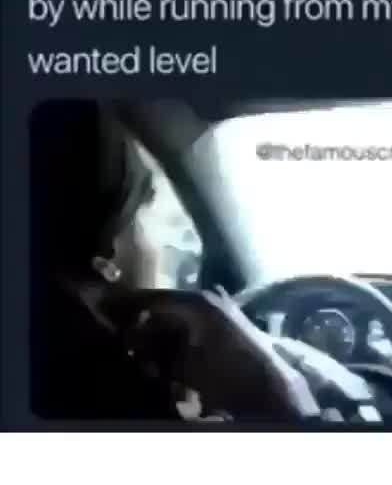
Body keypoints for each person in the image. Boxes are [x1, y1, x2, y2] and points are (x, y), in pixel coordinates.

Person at [30, 100, 318, 422]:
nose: (169, 240)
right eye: (148, 205)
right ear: (108, 250)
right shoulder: (109, 394)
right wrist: (270, 387)